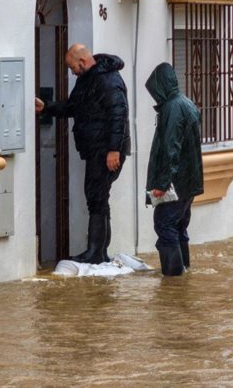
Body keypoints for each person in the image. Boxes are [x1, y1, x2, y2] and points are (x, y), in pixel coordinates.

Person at [35, 44, 131, 264]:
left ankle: (95, 252)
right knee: (97, 197)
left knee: (96, 198)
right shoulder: (88, 79)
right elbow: (73, 106)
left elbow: (119, 116)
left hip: (105, 150)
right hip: (97, 148)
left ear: (83, 62)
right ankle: (98, 251)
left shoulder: (108, 80)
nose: (72, 72)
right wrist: (47, 108)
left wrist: (113, 150)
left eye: (72, 67)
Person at [145, 62, 203, 276]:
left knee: (165, 225)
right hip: (189, 182)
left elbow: (171, 148)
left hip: (176, 183)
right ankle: (183, 273)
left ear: (161, 86)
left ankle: (173, 278)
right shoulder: (186, 103)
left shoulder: (172, 107)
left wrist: (161, 183)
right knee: (178, 227)